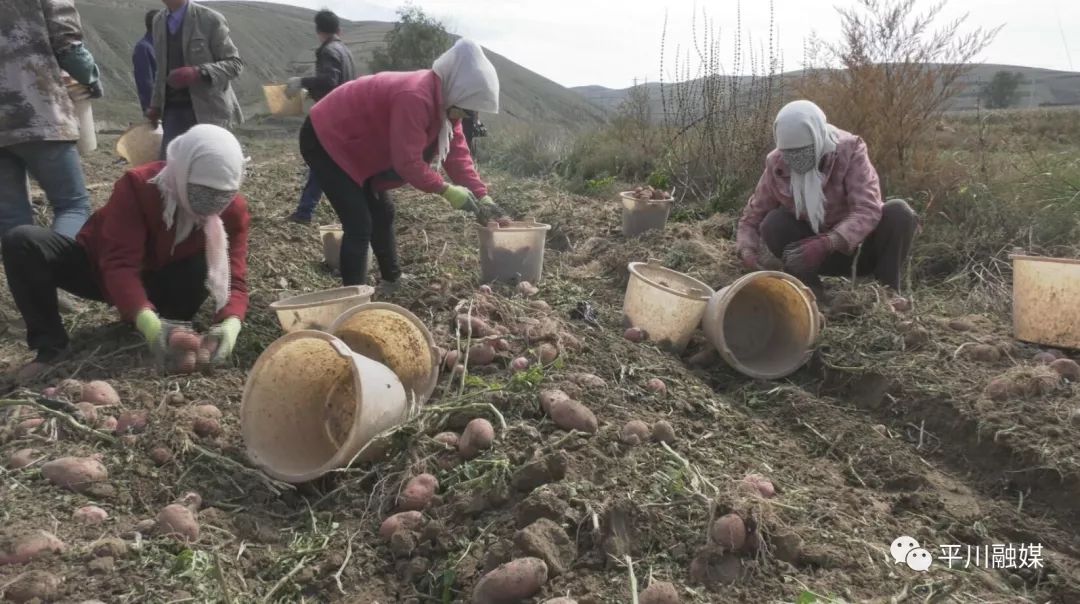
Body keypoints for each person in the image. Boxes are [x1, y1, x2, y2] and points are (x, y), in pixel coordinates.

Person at [1, 125, 250, 383]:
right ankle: (51, 347)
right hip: (99, 270)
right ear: (182, 170)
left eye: (222, 195)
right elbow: (119, 264)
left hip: (166, 283)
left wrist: (231, 324)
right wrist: (149, 324)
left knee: (203, 263)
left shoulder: (233, 211)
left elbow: (234, 278)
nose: (211, 204)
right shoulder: (140, 187)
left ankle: (168, 326)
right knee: (23, 242)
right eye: (202, 192)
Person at [301, 38, 505, 289]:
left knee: (383, 213)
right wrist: (446, 190)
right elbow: (407, 162)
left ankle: (391, 280)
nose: (464, 116)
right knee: (359, 222)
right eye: (464, 110)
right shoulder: (416, 96)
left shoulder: (447, 103)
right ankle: (352, 297)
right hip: (328, 138)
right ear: (456, 91)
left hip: (359, 147)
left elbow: (457, 154)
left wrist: (482, 196)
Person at [735, 99, 918, 299]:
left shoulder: (849, 150)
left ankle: (888, 295)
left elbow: (867, 209)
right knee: (774, 223)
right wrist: (747, 250)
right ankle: (812, 295)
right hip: (807, 256)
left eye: (803, 151)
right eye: (789, 153)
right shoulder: (777, 164)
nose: (795, 160)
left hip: (860, 249)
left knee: (899, 212)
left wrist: (827, 243)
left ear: (818, 139)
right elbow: (753, 217)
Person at [0, 0, 103, 240]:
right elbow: (69, 47)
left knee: (11, 217)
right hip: (39, 110)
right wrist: (92, 79)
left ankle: (26, 277)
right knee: (73, 206)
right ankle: (57, 274)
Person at [284, 9, 357, 225]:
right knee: (331, 163)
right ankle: (308, 211)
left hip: (332, 117)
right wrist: (312, 93)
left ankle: (305, 213)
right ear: (339, 30)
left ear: (318, 31)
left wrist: (302, 82)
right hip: (347, 115)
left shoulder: (329, 51)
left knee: (319, 162)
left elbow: (330, 81)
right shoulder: (345, 50)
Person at [146, 0, 244, 158]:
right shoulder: (158, 21)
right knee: (171, 168)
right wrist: (155, 105)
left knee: (208, 168)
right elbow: (161, 69)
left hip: (208, 112)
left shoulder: (210, 19)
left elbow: (235, 64)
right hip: (173, 111)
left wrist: (199, 72)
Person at [133, 9, 159, 113]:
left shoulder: (161, 45)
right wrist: (151, 109)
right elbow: (145, 82)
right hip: (158, 110)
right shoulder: (143, 48)